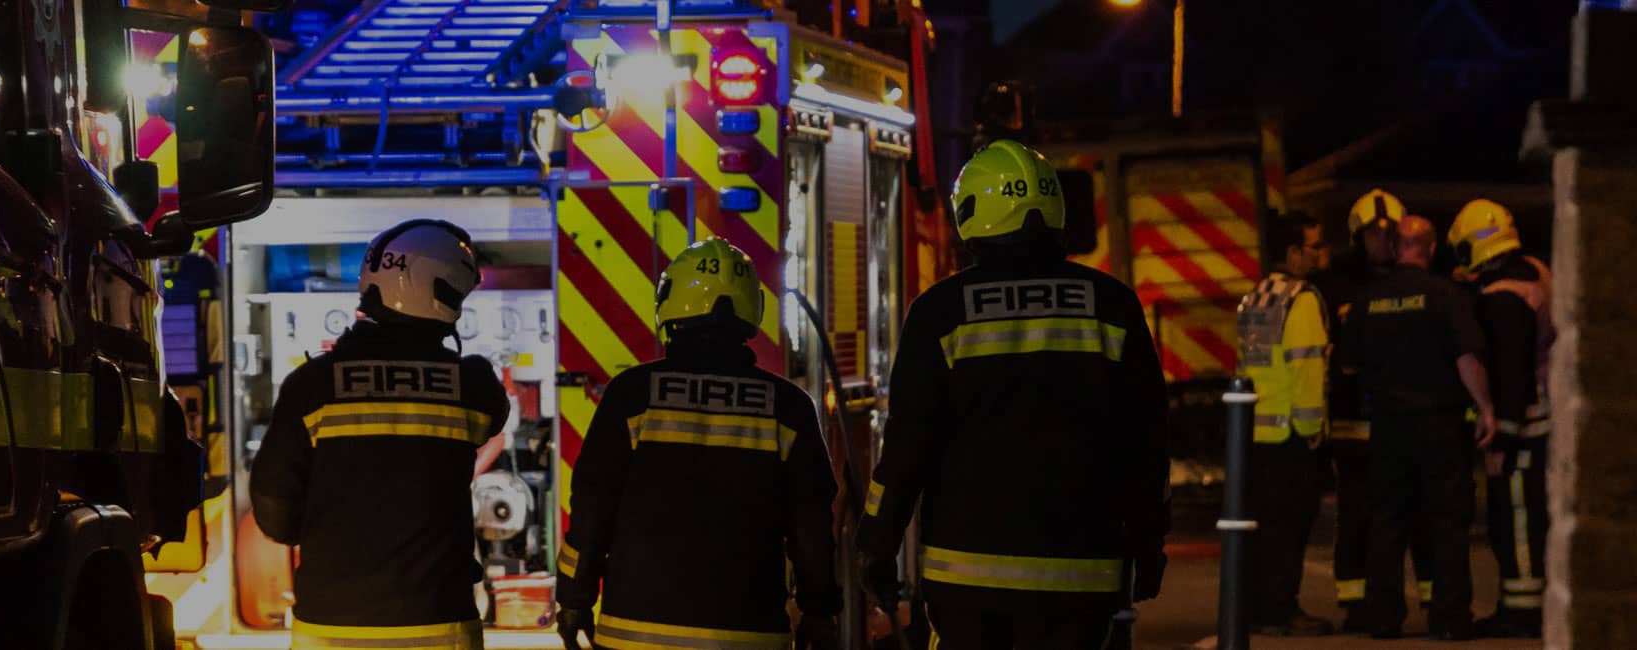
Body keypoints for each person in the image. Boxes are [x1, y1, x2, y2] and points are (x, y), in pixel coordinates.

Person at [858, 140, 1169, 649]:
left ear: (971, 214)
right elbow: (1147, 443)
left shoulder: (941, 311)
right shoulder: (1113, 306)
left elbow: (908, 446)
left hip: (967, 583)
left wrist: (877, 544)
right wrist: (1149, 543)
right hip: (1084, 579)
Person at [554, 238, 841, 650]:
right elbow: (811, 526)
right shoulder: (788, 407)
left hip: (634, 634)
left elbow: (592, 507)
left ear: (670, 303)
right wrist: (819, 610)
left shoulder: (631, 395)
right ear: (751, 308)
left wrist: (574, 599)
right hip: (748, 635)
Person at [250, 219, 511, 650]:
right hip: (438, 625)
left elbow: (274, 510)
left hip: (329, 627)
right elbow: (495, 420)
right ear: (443, 293)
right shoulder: (472, 385)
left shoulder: (311, 385)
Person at [1343, 215, 1498, 641]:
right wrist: (1485, 407)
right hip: (1440, 427)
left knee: (1387, 522)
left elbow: (1350, 361)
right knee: (1447, 522)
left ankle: (1384, 617)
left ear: (1395, 248)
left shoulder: (1368, 300)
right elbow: (1468, 359)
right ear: (1429, 249)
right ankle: (1449, 620)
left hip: (1388, 429)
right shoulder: (1445, 296)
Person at [1308, 189, 1436, 628]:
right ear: (1356, 238)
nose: (1383, 242)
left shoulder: (1416, 281)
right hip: (1352, 423)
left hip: (1402, 420)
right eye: (1373, 234)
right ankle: (1355, 603)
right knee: (1358, 514)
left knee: (1418, 513)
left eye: (1389, 234)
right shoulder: (1334, 287)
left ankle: (1430, 601)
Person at [1447, 199, 1553, 638]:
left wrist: (1501, 439)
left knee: (1517, 518)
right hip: (1548, 415)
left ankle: (1523, 611)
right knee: (1533, 514)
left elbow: (1509, 374)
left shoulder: (1500, 299)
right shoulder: (1536, 273)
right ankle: (1526, 604)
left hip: (1523, 425)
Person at [1236, 214, 1334, 636]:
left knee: (1262, 528)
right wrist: (1313, 429)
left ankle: (1257, 608)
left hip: (1256, 432)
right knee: (1289, 529)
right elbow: (1307, 367)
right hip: (1292, 433)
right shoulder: (1302, 299)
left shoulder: (1255, 297)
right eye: (1313, 246)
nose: (1319, 254)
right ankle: (1282, 610)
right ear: (1293, 253)